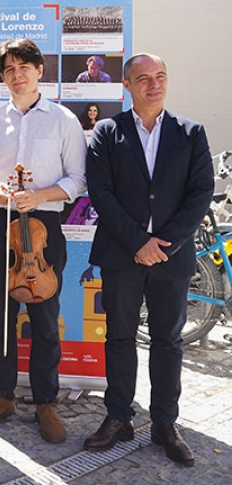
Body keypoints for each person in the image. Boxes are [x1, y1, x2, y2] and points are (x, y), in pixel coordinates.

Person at [84, 53, 212, 466]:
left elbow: (200, 194)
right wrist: (138, 242)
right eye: (143, 78)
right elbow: (100, 193)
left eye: (160, 76)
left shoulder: (191, 133)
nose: (153, 84)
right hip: (123, 255)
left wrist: (165, 244)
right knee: (119, 338)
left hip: (171, 260)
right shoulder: (107, 131)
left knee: (168, 342)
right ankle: (119, 417)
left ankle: (164, 424)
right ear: (127, 85)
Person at [0, 38, 86, 443]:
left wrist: (41, 195)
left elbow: (78, 178)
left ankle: (45, 402)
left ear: (39, 70)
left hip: (44, 225)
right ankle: (2, 395)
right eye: (9, 70)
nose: (16, 76)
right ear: (3, 77)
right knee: (1, 317)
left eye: (23, 68)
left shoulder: (64, 120)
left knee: (44, 319)